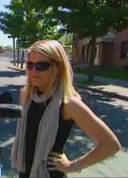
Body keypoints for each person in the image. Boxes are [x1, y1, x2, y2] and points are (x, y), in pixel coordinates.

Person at [11, 40, 121, 177]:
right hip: (24, 172)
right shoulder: (26, 96)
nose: (33, 71)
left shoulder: (69, 104)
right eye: (30, 65)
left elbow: (111, 144)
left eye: (41, 66)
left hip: (50, 174)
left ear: (58, 68)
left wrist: (73, 166)